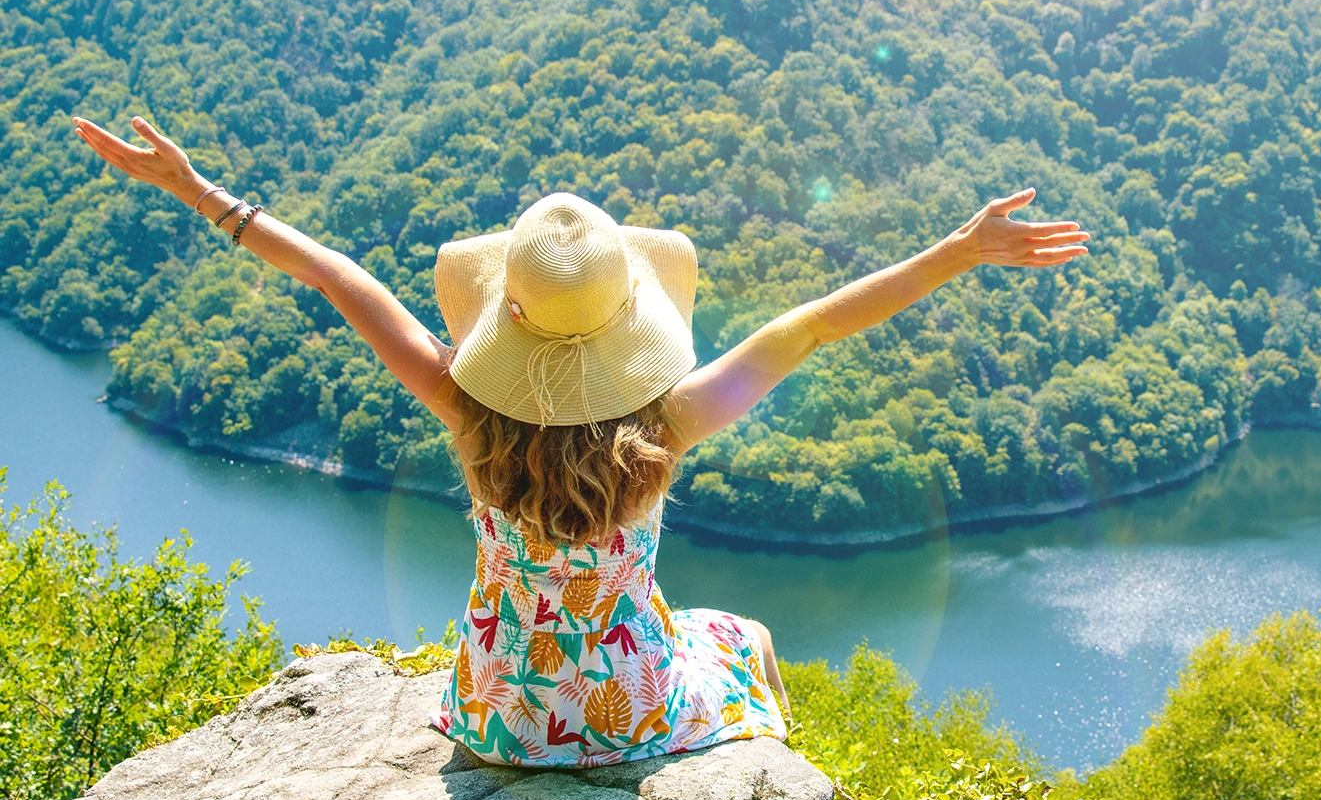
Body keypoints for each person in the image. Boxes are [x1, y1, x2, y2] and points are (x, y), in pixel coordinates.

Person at [71, 114, 1090, 766]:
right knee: (742, 638)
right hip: (628, 716)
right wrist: (958, 251)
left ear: (502, 314)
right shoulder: (669, 424)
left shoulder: (469, 416)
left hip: (492, 718)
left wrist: (199, 191)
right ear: (630, 323)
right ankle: (769, 779)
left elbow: (341, 279)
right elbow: (816, 320)